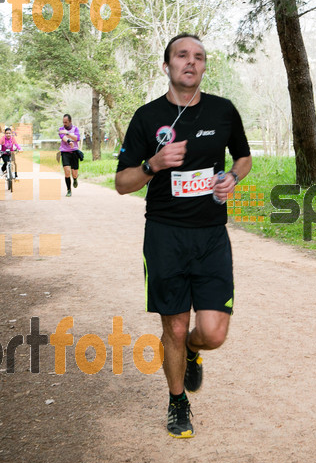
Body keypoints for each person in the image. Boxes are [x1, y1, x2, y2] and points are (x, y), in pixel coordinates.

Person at [114, 34, 252, 439]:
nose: (190, 62)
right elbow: (122, 183)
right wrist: (153, 164)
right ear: (167, 66)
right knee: (173, 327)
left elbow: (243, 157)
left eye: (198, 57)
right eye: (181, 56)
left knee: (213, 332)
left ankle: (194, 350)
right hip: (165, 236)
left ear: (204, 67)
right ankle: (177, 402)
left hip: (211, 236)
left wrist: (231, 177)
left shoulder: (224, 111)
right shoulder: (146, 117)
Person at [58, 114, 81, 197]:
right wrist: (69, 141)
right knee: (67, 171)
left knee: (74, 173)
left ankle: (75, 179)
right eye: (63, 122)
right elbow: (62, 137)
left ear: (70, 121)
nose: (64, 124)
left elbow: (77, 138)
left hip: (74, 152)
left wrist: (68, 133)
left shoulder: (75, 129)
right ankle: (69, 190)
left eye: (66, 122)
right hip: (65, 152)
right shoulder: (61, 129)